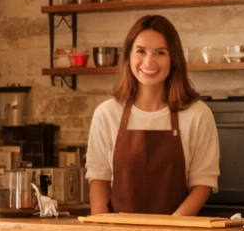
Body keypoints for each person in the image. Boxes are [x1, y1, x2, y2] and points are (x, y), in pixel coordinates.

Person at [86, 14, 220, 216]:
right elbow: (99, 179)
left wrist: (170, 228)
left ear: (173, 59)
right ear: (128, 56)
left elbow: (202, 184)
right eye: (141, 51)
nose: (149, 61)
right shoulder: (106, 114)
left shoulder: (198, 115)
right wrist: (102, 229)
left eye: (160, 53)